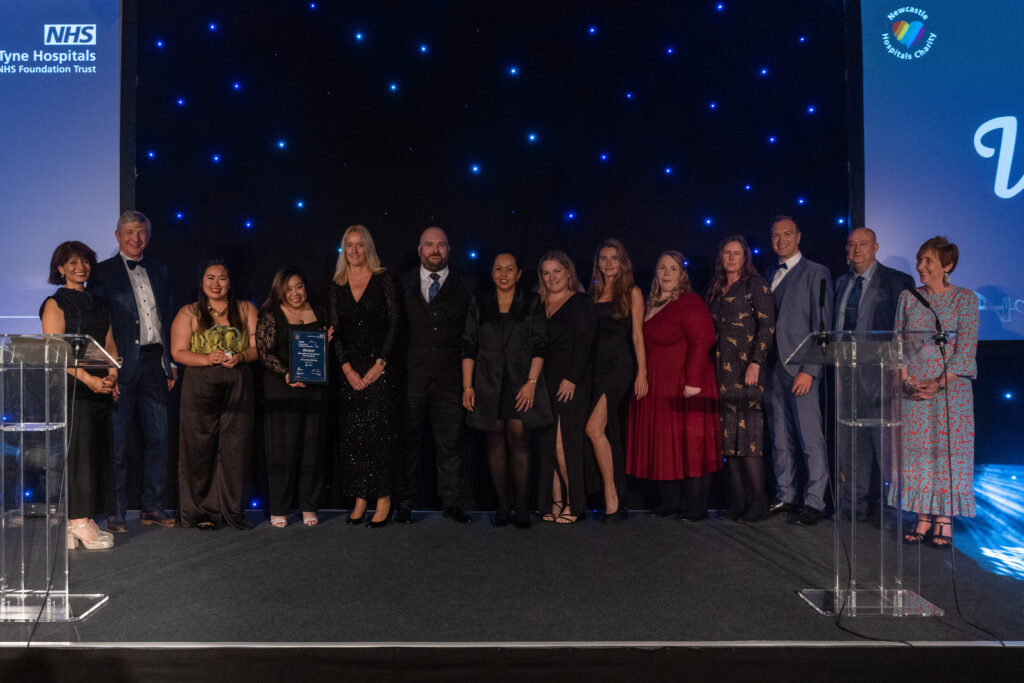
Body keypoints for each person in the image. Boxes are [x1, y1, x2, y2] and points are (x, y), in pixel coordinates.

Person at [93, 210, 176, 532]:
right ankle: (115, 510)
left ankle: (152, 507)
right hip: (121, 365)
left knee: (159, 438)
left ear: (148, 236)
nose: (135, 238)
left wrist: (170, 361)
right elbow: (101, 325)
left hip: (155, 363)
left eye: (141, 232)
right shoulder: (102, 273)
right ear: (117, 236)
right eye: (128, 232)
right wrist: (108, 369)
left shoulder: (159, 269)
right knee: (118, 442)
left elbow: (166, 317)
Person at [893, 236, 977, 548]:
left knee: (947, 452)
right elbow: (898, 344)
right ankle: (922, 517)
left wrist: (939, 382)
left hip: (951, 390)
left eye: (928, 261)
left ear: (947, 266)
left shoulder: (965, 300)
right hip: (914, 389)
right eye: (920, 260)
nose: (920, 267)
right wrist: (907, 380)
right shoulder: (908, 297)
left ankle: (944, 519)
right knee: (918, 454)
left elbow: (966, 348)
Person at [627, 251, 720, 521]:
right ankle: (671, 503)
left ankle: (695, 508)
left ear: (682, 274)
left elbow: (703, 340)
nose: (667, 273)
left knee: (691, 446)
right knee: (666, 446)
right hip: (656, 385)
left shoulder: (689, 302)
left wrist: (692, 382)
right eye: (662, 268)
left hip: (685, 385)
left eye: (673, 268)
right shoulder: (649, 303)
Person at [462, 251, 552, 529]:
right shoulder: (480, 301)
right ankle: (503, 505)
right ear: (491, 273)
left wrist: (531, 383)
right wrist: (467, 386)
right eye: (498, 269)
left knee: (519, 439)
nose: (503, 274)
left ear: (519, 274)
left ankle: (522, 506)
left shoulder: (532, 301)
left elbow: (540, 345)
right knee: (494, 442)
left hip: (521, 384)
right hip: (488, 383)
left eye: (509, 269)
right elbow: (468, 346)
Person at [833, 227, 915, 521]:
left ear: (876, 247)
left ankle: (889, 508)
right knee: (851, 445)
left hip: (881, 378)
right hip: (845, 376)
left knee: (886, 447)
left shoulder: (896, 281)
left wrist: (899, 368)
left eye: (863, 244)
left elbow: (907, 330)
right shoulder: (840, 283)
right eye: (852, 244)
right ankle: (853, 506)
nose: (857, 249)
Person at [40, 242, 118, 550]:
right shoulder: (55, 303)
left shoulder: (99, 303)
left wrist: (111, 376)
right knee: (78, 454)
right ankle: (75, 521)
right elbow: (54, 349)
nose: (80, 266)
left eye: (85, 260)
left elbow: (110, 344)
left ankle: (83, 519)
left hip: (100, 387)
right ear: (60, 268)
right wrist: (87, 378)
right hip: (72, 387)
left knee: (95, 452)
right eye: (71, 262)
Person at [170, 260, 258, 530]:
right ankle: (200, 513)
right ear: (202, 282)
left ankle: (231, 511)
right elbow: (178, 352)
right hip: (199, 385)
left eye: (222, 278)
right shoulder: (189, 312)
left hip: (238, 385)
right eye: (210, 278)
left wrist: (241, 355)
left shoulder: (245, 308)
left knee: (235, 449)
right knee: (198, 450)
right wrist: (207, 358)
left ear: (230, 282)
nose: (216, 284)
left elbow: (258, 347)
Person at [395, 227, 473, 524]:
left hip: (450, 381)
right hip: (411, 379)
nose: (435, 250)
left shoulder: (466, 284)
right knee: (408, 444)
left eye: (441, 244)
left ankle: (451, 502)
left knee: (451, 445)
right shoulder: (401, 284)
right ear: (419, 250)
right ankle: (405, 502)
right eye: (429, 245)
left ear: (449, 249)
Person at [327, 225, 403, 528]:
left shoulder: (384, 280)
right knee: (354, 438)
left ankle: (383, 498)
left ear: (368, 248)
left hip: (381, 371)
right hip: (350, 373)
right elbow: (334, 332)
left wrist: (378, 366)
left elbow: (396, 325)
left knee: (380, 437)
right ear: (343, 249)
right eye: (349, 245)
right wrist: (347, 369)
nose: (355, 251)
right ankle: (360, 498)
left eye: (360, 245)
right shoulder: (336, 284)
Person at [764, 216, 833, 526]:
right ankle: (786, 494)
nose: (781, 240)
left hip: (800, 368)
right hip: (772, 368)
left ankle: (815, 500)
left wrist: (810, 369)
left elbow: (823, 328)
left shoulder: (817, 272)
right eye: (776, 235)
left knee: (809, 438)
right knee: (780, 436)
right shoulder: (769, 274)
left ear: (799, 237)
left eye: (787, 234)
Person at [706, 236, 776, 522]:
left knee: (749, 437)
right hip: (722, 369)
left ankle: (758, 502)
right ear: (721, 256)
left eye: (737, 253)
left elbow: (767, 325)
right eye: (727, 253)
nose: (731, 258)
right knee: (728, 438)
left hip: (748, 368)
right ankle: (736, 501)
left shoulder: (754, 284)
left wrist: (756, 362)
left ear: (745, 257)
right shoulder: (715, 289)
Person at [255, 268, 331, 528]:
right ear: (279, 291)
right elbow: (265, 352)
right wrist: (286, 373)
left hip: (314, 391)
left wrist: (327, 341)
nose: (295, 293)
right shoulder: (270, 315)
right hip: (282, 390)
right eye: (288, 289)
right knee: (282, 450)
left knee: (312, 449)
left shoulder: (320, 312)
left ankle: (309, 504)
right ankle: (280, 506)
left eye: (299, 287)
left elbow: (322, 349)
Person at [585, 239, 647, 523]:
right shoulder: (592, 292)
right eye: (604, 258)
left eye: (614, 258)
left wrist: (642, 373)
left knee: (593, 428)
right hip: (595, 368)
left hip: (620, 366)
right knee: (607, 432)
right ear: (598, 262)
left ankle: (611, 495)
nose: (609, 263)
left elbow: (637, 335)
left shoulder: (631, 292)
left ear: (623, 263)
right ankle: (617, 499)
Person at [537, 251, 595, 524]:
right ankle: (555, 501)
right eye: (547, 273)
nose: (552, 278)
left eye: (557, 271)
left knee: (564, 443)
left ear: (568, 273)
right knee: (548, 443)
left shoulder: (581, 302)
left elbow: (585, 343)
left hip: (571, 381)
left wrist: (571, 377)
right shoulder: (539, 303)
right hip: (545, 381)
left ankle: (575, 503)